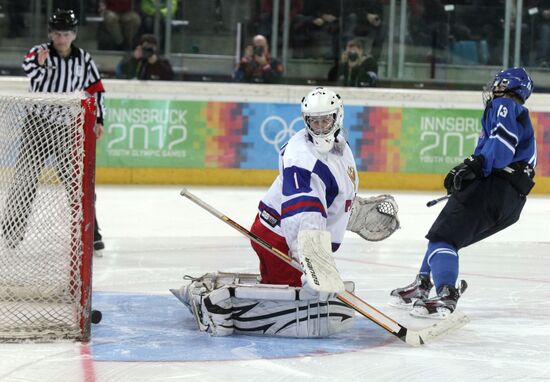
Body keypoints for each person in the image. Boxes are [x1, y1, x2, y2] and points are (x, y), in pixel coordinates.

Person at [174, 87, 400, 337]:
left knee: (289, 289)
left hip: (283, 233)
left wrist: (351, 211)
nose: (321, 128)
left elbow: (330, 197)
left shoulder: (341, 149)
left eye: (326, 120)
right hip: (279, 238)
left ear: (338, 117)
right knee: (291, 299)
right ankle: (210, 306)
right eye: (314, 122)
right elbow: (303, 215)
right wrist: (314, 264)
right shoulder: (301, 159)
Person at [390, 67, 536, 318]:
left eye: (497, 83)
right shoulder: (516, 112)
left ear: (508, 86)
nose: (493, 88)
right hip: (511, 201)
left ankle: (446, 293)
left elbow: (501, 149)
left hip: (493, 188)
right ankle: (424, 282)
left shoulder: (504, 105)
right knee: (444, 234)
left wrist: (476, 164)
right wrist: (471, 168)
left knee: (443, 239)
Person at [4, 9, 106, 252]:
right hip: (37, 126)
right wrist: (39, 64)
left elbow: (96, 89)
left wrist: (99, 119)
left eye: (67, 33)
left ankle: (92, 233)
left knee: (77, 182)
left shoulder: (84, 59)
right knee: (25, 179)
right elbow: (31, 72)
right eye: (58, 33)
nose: (62, 38)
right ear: (50, 33)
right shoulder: (39, 52)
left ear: (74, 34)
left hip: (66, 127)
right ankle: (12, 232)